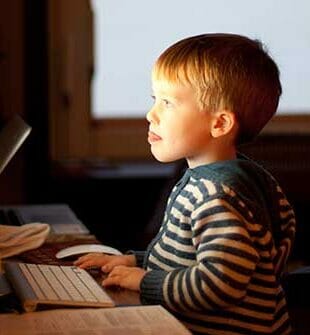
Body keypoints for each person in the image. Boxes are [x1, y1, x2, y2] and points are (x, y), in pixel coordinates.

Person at [75, 33, 296, 335]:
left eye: (167, 103)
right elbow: (191, 257)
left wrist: (142, 280)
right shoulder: (236, 179)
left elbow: (218, 284)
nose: (150, 114)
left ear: (220, 124)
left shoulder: (218, 195)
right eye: (155, 100)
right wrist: (130, 260)